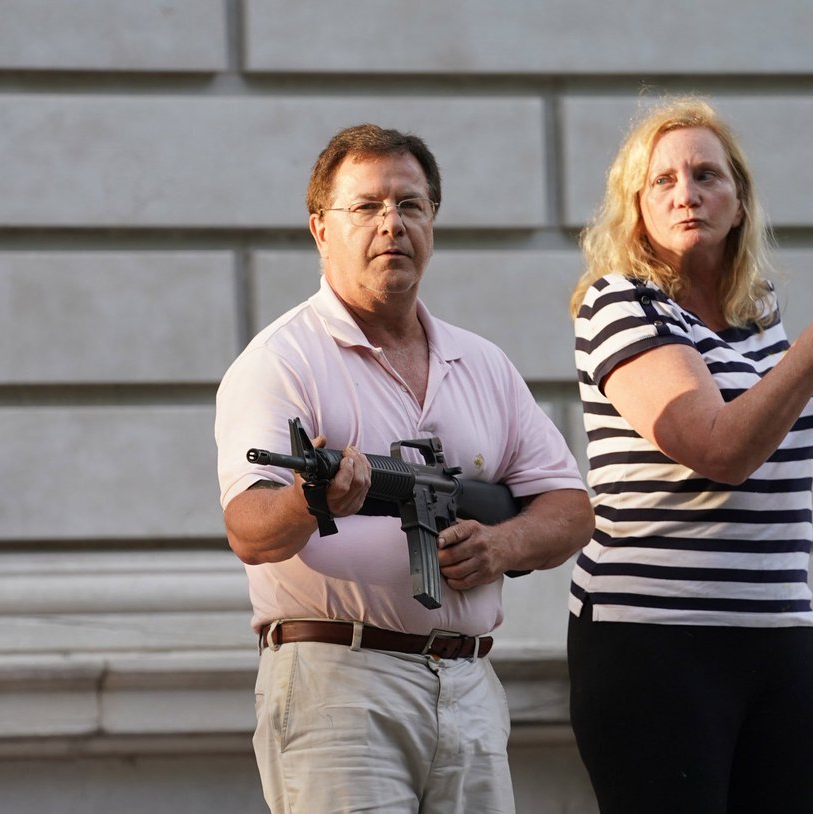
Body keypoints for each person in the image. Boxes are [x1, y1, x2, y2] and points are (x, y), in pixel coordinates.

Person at [215, 123, 594, 814]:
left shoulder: (480, 363)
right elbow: (248, 527)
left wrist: (500, 546)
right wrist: (311, 498)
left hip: (470, 684)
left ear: (432, 222)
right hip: (340, 684)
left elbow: (570, 506)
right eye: (366, 207)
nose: (391, 224)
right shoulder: (280, 363)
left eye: (410, 205)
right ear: (320, 229)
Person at [566, 97, 813, 814]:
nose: (686, 194)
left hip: (777, 631)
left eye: (705, 175)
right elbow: (717, 448)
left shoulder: (759, 319)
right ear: (634, 207)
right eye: (661, 181)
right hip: (654, 638)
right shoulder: (620, 304)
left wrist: (806, 337)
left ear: (740, 201)